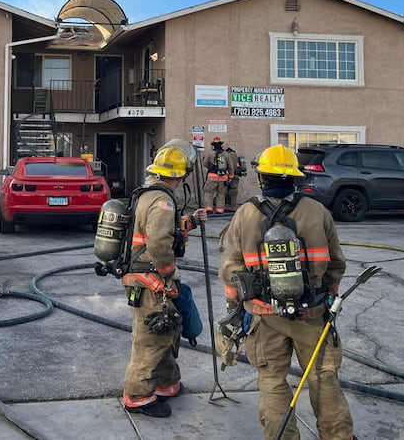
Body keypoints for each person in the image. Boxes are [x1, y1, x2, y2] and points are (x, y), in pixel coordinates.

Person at [218, 144, 354, 440]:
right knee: (324, 378)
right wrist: (329, 295)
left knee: (272, 381)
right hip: (312, 314)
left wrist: (233, 308)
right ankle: (337, 435)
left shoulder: (245, 214)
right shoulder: (317, 211)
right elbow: (336, 264)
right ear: (294, 178)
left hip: (264, 317)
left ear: (262, 178)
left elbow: (230, 269)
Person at [121, 143, 208, 417]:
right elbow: (159, 243)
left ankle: (167, 384)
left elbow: (164, 228)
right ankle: (138, 397)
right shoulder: (163, 201)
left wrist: (191, 221)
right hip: (151, 279)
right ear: (179, 175)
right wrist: (170, 274)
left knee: (167, 330)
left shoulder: (149, 195)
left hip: (144, 276)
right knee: (151, 339)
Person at [203, 136, 235, 214]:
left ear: (213, 145)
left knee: (208, 193)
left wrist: (211, 167)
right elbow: (230, 166)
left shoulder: (210, 153)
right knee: (221, 194)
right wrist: (230, 177)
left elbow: (205, 163)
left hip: (212, 177)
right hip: (223, 178)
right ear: (221, 144)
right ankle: (220, 210)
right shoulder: (226, 154)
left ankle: (209, 209)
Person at [223, 142, 244, 209]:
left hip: (233, 175)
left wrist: (230, 174)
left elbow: (233, 166)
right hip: (229, 175)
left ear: (227, 146)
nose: (222, 148)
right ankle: (228, 206)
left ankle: (233, 206)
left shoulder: (231, 154)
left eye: (223, 146)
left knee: (232, 192)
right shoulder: (226, 153)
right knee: (226, 191)